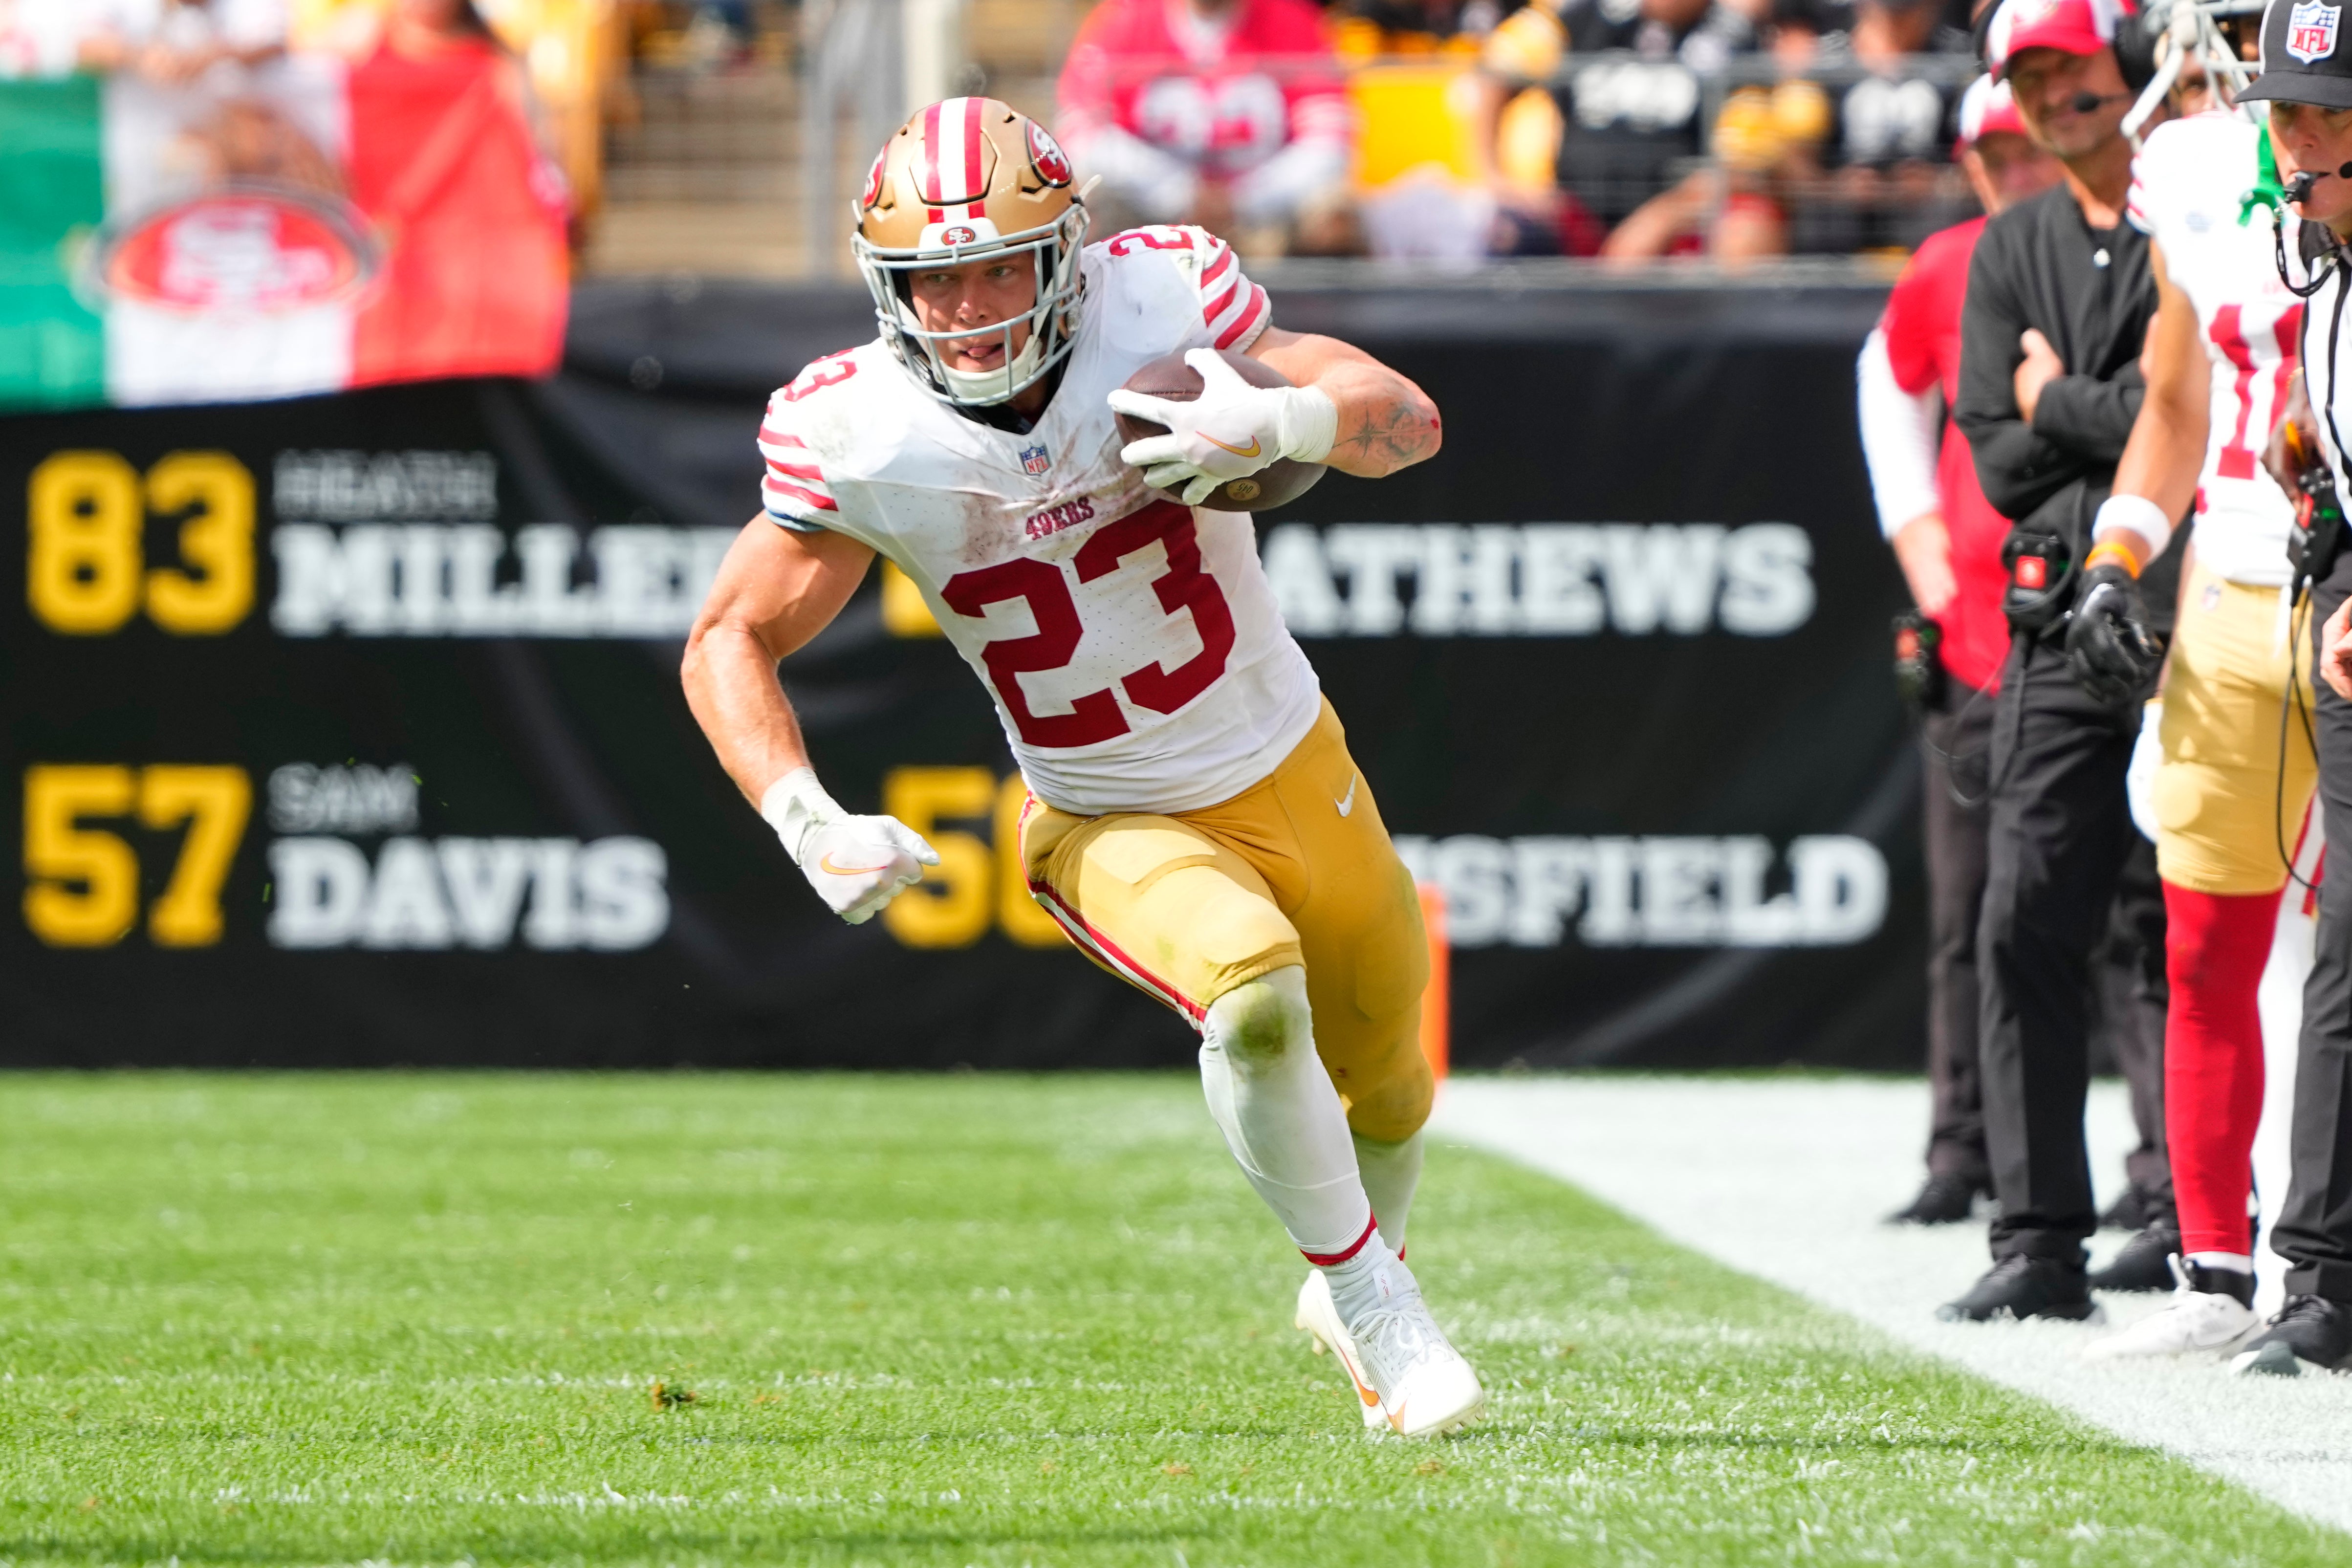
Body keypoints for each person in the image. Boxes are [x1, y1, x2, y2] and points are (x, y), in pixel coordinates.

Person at [680, 99, 1481, 1434]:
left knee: (1390, 1069)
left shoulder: (1161, 299)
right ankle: (1372, 1308)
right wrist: (802, 816)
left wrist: (1277, 424)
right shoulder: (858, 427)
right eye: (938, 278)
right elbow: (729, 634)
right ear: (890, 290)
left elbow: (1404, 419)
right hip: (1102, 810)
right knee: (1251, 985)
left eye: (1002, 264)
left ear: (1069, 253)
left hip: (1288, 751)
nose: (973, 307)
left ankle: (1367, 1257)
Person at [2066, 7, 2313, 1359]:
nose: (2218, 46)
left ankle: (2310, 1259)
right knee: (2208, 936)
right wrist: (2118, 555)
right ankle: (2215, 1270)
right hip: (2226, 575)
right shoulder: (2199, 162)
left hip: (2337, 582)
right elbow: (2174, 403)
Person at [1938, 0, 2180, 1323]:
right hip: (2056, 628)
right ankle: (2036, 1241)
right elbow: (1995, 453)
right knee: (2022, 914)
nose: (2052, 94)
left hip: (2194, 610)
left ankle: (2195, 1212)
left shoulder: (2195, 208)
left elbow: (2193, 412)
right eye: (2026, 75)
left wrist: (2054, 404)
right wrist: (2076, 416)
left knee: (2188, 924)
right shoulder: (2008, 248)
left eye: (2069, 66)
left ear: (2122, 63)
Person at [1858, 75, 2068, 1226]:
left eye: (2023, 143)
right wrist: (1920, 551)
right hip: (1978, 629)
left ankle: (2159, 1176)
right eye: (1990, 150)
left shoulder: (2115, 246)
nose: (2008, 164)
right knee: (1965, 914)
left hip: (2095, 617)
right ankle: (1960, 1151)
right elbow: (1882, 385)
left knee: (2136, 916)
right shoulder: (1944, 264)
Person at [2215, 0, 2352, 1375]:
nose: (2295, 137)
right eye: (2285, 109)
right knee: (2344, 950)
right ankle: (2321, 1279)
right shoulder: (2316, 270)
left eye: (2325, 110)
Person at [1054, 0, 1354, 253]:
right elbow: (1080, 134)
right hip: (1149, 212)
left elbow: (1331, 139)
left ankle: (1310, 315)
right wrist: (1179, 191)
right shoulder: (1123, 17)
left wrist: (1246, 200)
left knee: (1332, 216)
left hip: (1267, 220)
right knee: (1085, 208)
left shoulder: (1293, 18)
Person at [1474, 0, 1759, 252]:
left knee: (1747, 228)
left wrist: (1661, 220)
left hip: (1679, 224)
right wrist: (1495, 177)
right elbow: (1495, 70)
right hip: (1578, 215)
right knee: (1506, 231)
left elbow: (1749, 164)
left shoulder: (1732, 35)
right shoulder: (1584, 15)